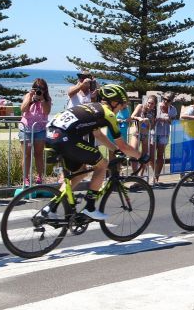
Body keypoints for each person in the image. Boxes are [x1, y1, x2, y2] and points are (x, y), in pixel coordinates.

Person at [44, 84, 147, 220]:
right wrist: (142, 156)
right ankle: (90, 207)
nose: (121, 109)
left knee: (80, 172)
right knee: (102, 164)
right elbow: (124, 146)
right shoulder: (108, 113)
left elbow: (97, 134)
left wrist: (114, 149)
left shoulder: (91, 108)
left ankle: (50, 208)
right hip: (66, 138)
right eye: (121, 106)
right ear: (114, 102)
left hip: (51, 135)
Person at [19, 78, 52, 186]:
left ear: (45, 89)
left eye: (42, 88)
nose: (39, 90)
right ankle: (26, 179)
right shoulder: (28, 96)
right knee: (26, 155)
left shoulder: (47, 99)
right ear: (33, 88)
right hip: (26, 129)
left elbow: (47, 111)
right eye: (37, 88)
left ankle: (40, 177)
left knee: (38, 154)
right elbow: (23, 109)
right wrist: (31, 99)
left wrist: (42, 99)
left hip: (40, 130)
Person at [153, 91, 178, 185]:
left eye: (168, 100)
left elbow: (174, 122)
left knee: (160, 156)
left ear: (171, 101)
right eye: (164, 99)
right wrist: (159, 119)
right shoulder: (156, 106)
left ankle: (156, 178)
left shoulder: (173, 109)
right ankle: (145, 176)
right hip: (153, 133)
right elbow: (150, 118)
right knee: (150, 156)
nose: (165, 101)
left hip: (164, 134)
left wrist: (169, 119)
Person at [130, 94, 157, 173]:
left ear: (155, 104)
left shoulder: (153, 112)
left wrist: (149, 122)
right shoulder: (140, 106)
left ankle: (141, 176)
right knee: (133, 154)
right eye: (149, 102)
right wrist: (139, 118)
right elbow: (132, 116)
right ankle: (135, 175)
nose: (150, 105)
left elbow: (151, 127)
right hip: (137, 133)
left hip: (145, 135)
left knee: (144, 157)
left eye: (152, 103)